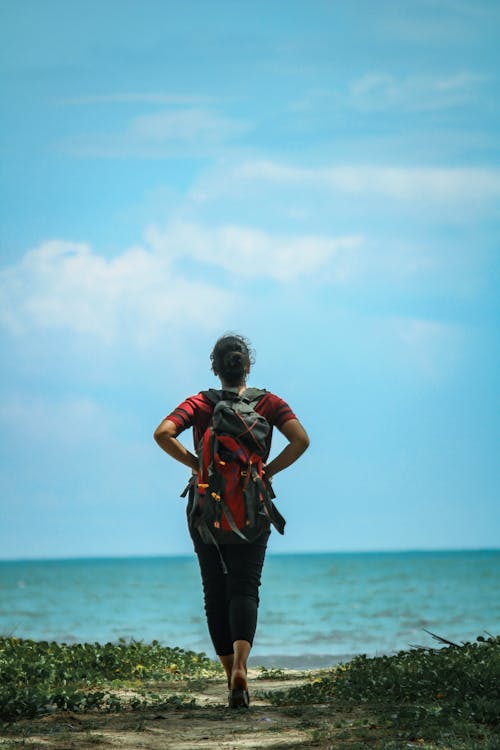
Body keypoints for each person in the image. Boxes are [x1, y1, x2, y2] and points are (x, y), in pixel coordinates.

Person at [153, 333, 309, 708]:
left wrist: (197, 465)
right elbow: (300, 440)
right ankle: (242, 665)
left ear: (215, 368)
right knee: (245, 587)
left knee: (214, 591)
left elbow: (163, 433)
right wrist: (266, 472)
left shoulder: (200, 404)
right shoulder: (269, 403)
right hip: (253, 508)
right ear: (247, 366)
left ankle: (228, 677)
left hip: (206, 508)